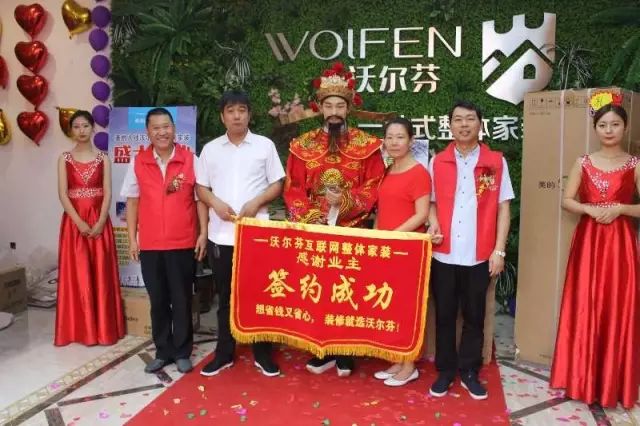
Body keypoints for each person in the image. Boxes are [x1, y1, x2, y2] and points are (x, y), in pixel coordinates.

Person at [283, 61, 386, 377]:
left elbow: (374, 186)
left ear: (349, 108)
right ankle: (320, 349)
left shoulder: (367, 146)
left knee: (347, 292)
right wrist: (312, 216)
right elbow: (293, 188)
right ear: (320, 108)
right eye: (328, 106)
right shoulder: (302, 146)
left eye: (340, 105)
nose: (334, 112)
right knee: (316, 292)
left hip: (352, 229)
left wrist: (345, 203)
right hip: (314, 230)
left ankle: (345, 351)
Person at [550, 94, 640, 409]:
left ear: (625, 127)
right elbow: (567, 200)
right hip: (589, 241)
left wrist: (621, 209)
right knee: (585, 303)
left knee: (617, 305)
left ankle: (613, 382)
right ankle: (581, 379)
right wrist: (588, 209)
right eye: (603, 125)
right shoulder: (583, 162)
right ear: (595, 128)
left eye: (615, 124)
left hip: (620, 244)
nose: (609, 130)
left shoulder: (635, 164)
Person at [427, 100, 513, 400]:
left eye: (470, 119)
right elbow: (431, 203)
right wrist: (433, 222)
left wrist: (499, 251)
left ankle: (469, 371)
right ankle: (445, 370)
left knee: (475, 316)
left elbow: (504, 208)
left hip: (479, 253)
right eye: (458, 119)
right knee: (445, 315)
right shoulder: (438, 162)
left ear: (480, 123)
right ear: (449, 125)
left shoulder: (495, 162)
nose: (464, 124)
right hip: (444, 253)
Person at [197, 90, 286, 378]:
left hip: (256, 236)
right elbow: (201, 187)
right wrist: (215, 203)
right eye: (231, 110)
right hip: (221, 236)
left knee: (260, 295)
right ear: (222, 116)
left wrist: (256, 202)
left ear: (249, 114)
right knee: (225, 297)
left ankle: (263, 353)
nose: (237, 116)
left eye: (242, 110)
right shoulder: (210, 149)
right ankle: (224, 353)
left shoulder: (264, 146)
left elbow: (277, 183)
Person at [121, 107, 208, 374]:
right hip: (150, 245)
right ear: (148, 132)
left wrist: (203, 233)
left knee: (181, 300)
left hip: (182, 242)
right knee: (158, 300)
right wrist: (132, 239)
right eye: (156, 128)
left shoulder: (190, 159)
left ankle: (182, 352)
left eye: (166, 126)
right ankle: (162, 351)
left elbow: (200, 200)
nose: (162, 132)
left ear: (174, 129)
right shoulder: (138, 162)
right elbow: (132, 202)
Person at [55, 110, 125, 346]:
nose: (81, 130)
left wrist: (101, 220)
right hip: (74, 223)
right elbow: (63, 194)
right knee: (78, 275)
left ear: (93, 128)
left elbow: (108, 192)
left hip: (99, 222)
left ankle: (104, 330)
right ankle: (79, 330)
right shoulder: (64, 159)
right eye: (76, 126)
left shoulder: (103, 158)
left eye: (85, 125)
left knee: (101, 274)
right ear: (70, 131)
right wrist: (79, 222)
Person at [372, 117, 431, 386]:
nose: (394, 142)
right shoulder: (387, 171)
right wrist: (376, 237)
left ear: (411, 141)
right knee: (392, 307)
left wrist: (393, 237)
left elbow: (421, 214)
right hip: (386, 250)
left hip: (407, 250)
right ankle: (398, 358)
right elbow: (382, 211)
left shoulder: (419, 173)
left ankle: (410, 365)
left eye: (400, 137)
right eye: (390, 137)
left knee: (408, 309)